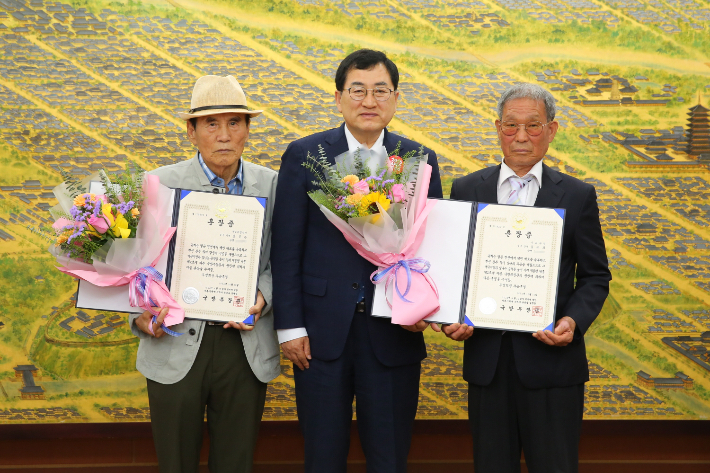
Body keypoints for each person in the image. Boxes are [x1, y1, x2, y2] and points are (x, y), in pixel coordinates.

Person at [271, 49, 443, 473]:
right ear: (338, 97)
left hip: (393, 331)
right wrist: (290, 327)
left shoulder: (418, 159)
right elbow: (286, 246)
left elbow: (432, 246)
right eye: (358, 91)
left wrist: (430, 310)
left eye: (380, 91)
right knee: (323, 455)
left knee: (389, 455)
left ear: (395, 97)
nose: (370, 101)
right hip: (320, 334)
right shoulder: (305, 155)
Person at [447, 82, 611, 473]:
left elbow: (595, 277)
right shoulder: (467, 188)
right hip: (488, 363)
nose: (521, 136)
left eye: (533, 126)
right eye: (511, 125)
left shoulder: (576, 194)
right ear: (498, 128)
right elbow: (453, 268)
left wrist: (571, 321)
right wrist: (450, 315)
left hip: (553, 363)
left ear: (551, 130)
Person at [128, 75, 280, 473]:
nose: (225, 135)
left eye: (235, 123)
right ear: (192, 132)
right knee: (175, 462)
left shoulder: (275, 185)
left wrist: (263, 295)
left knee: (236, 461)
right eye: (212, 124)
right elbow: (133, 264)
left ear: (248, 130)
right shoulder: (158, 184)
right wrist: (141, 314)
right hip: (174, 341)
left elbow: (286, 259)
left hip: (243, 346)